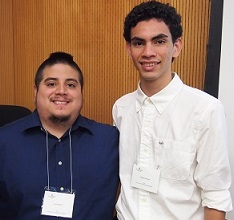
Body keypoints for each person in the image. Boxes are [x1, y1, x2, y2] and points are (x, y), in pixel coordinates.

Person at [112, 1, 232, 220]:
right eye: (139, 43)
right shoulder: (122, 108)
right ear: (129, 49)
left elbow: (215, 195)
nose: (148, 52)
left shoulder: (205, 110)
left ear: (176, 46)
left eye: (159, 41)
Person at [0, 52, 119, 219]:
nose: (61, 91)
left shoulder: (110, 140)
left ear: (81, 93)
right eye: (51, 84)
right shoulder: (4, 142)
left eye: (71, 85)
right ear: (35, 92)